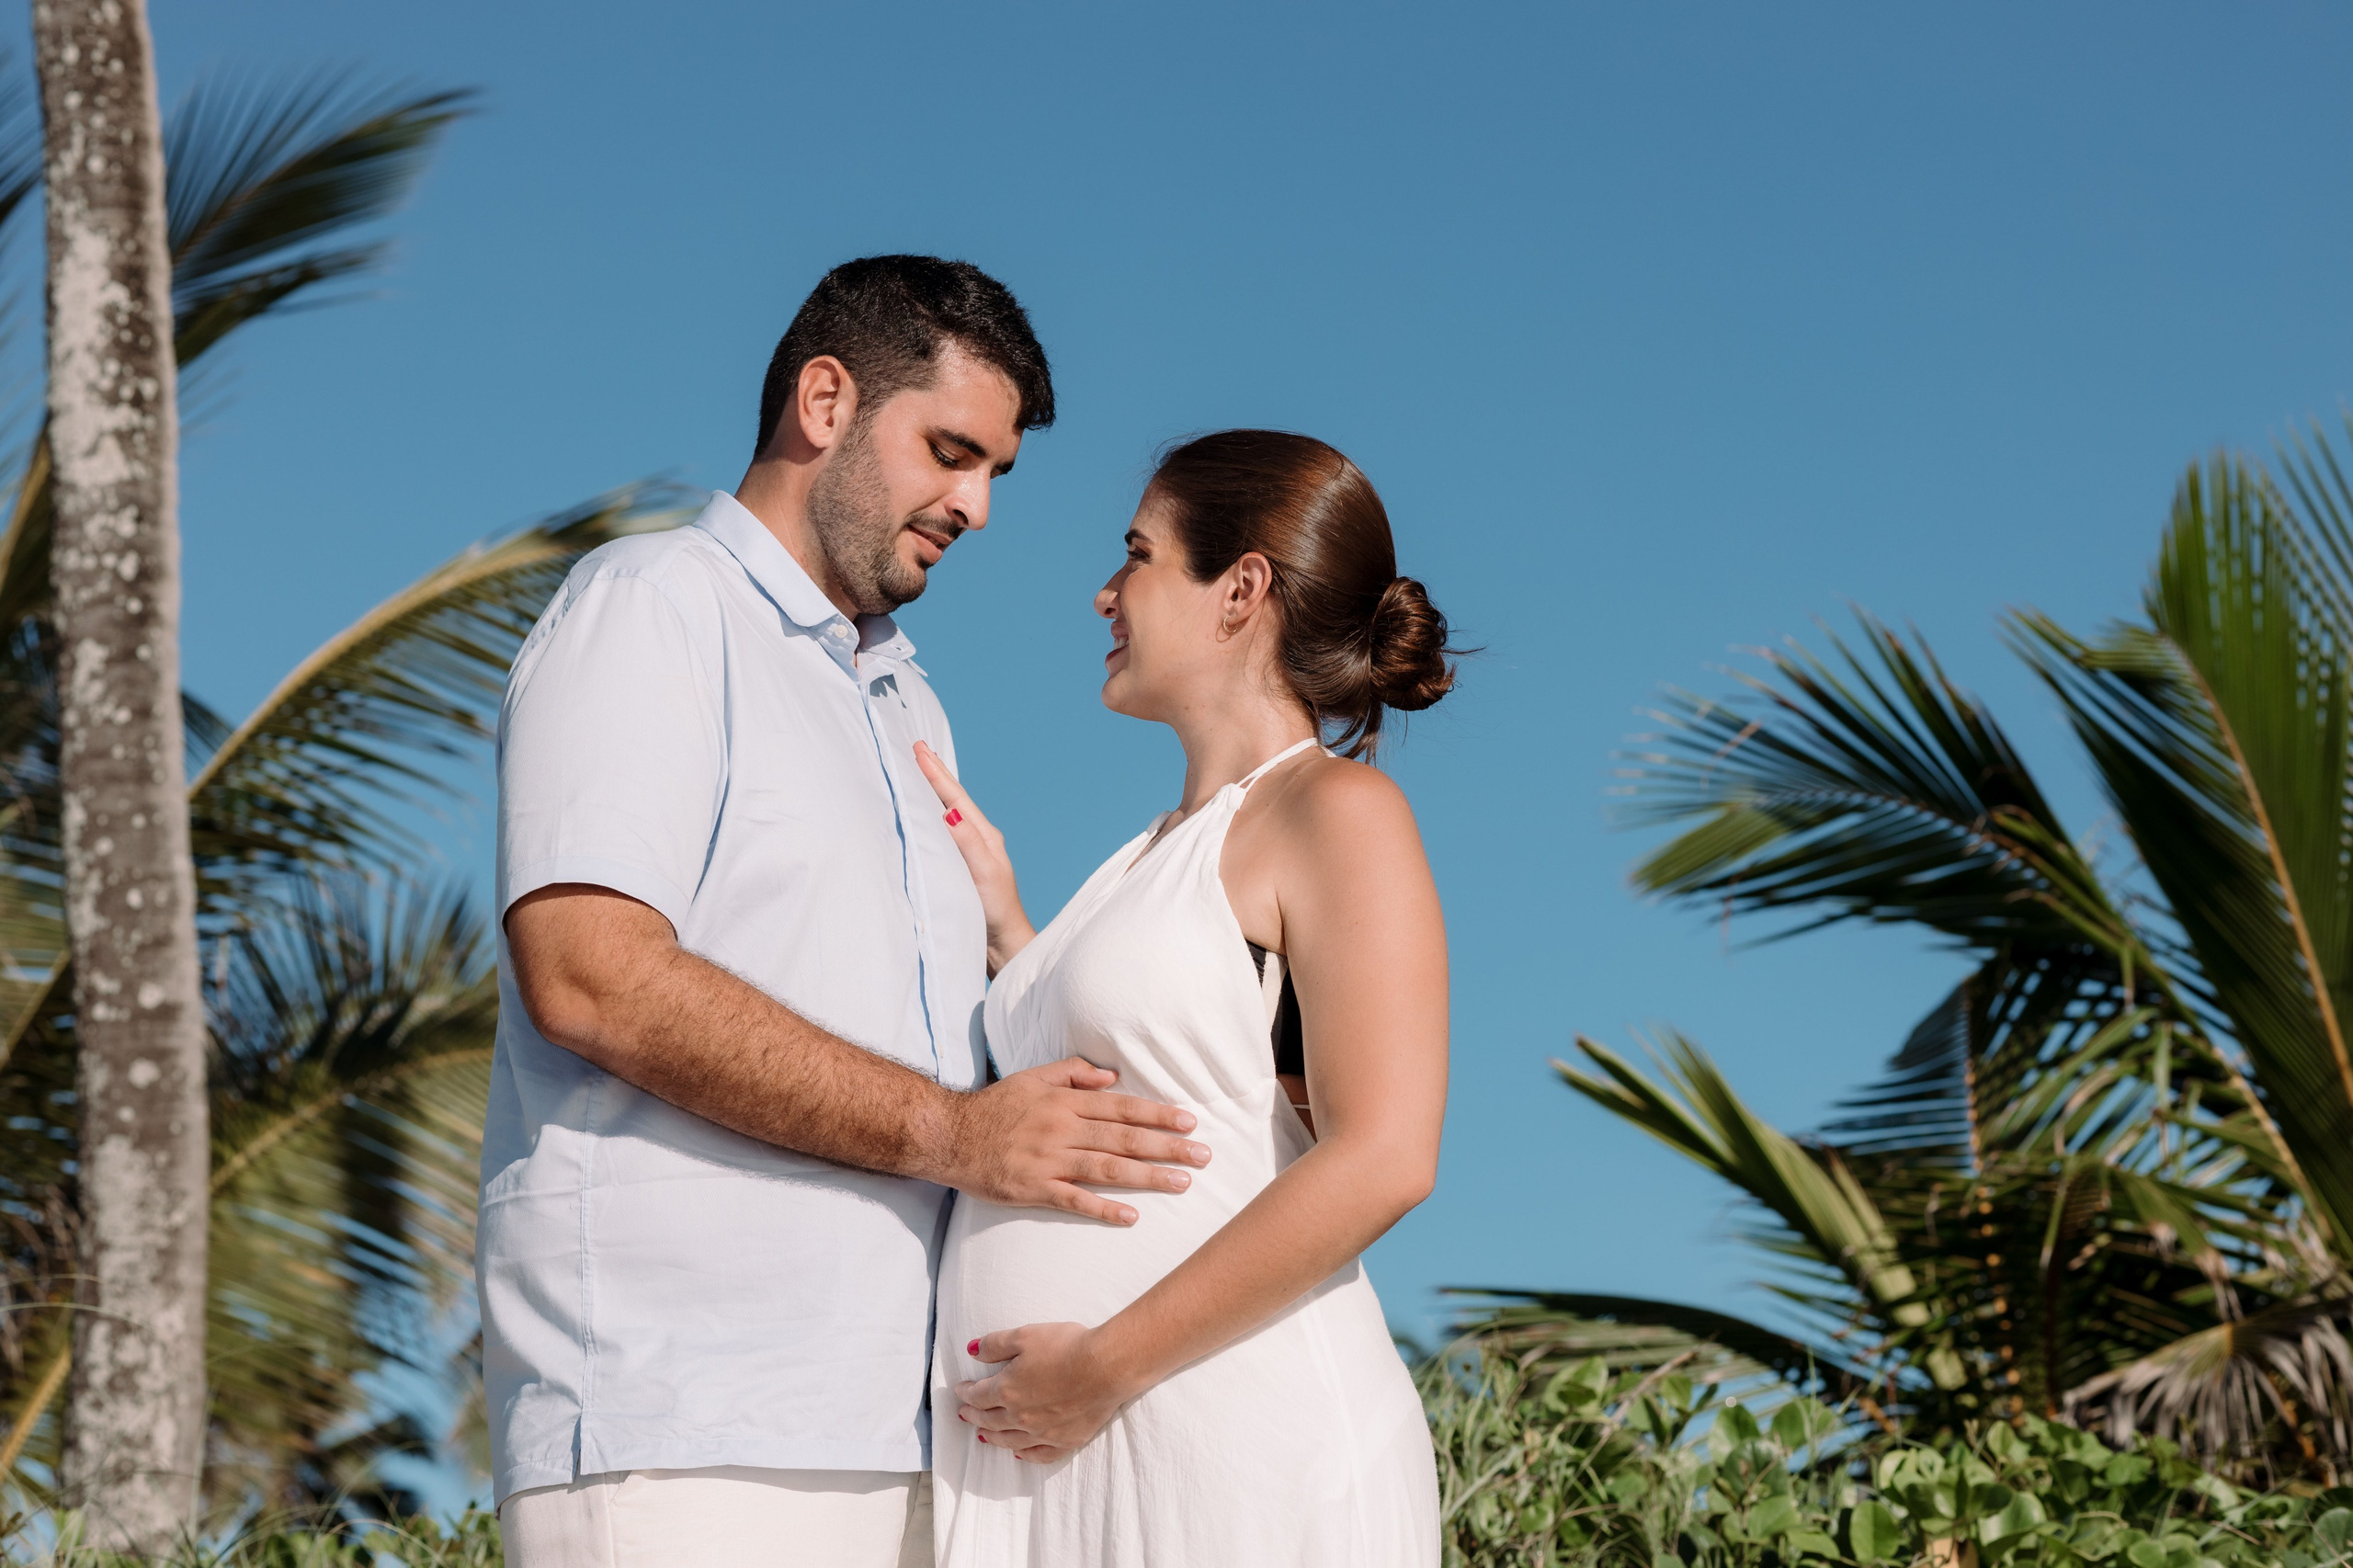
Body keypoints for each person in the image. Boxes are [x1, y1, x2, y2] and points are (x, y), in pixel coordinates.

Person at [480, 256, 1212, 1568]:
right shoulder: (655, 606)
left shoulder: (905, 703)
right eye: (950, 451)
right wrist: (955, 1130)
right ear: (825, 400)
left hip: (906, 1438)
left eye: (995, 472)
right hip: (684, 1435)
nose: (977, 506)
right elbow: (588, 973)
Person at [917, 429, 1454, 1566]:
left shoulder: (1335, 810)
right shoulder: (1148, 854)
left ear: (1240, 589)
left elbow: (1387, 1152)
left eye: (1139, 555)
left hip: (1234, 1458)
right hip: (1081, 1461)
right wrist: (1010, 925)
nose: (1104, 591)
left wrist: (1102, 1367)